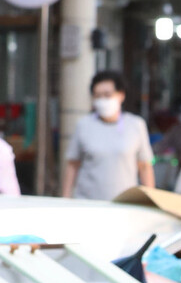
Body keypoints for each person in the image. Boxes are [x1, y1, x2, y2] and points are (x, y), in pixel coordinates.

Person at [62, 70, 155, 201]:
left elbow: (145, 166)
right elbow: (72, 164)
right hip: (88, 203)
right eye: (97, 96)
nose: (102, 100)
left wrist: (151, 200)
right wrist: (65, 198)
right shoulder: (84, 125)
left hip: (125, 204)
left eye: (107, 95)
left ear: (121, 95)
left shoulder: (136, 125)